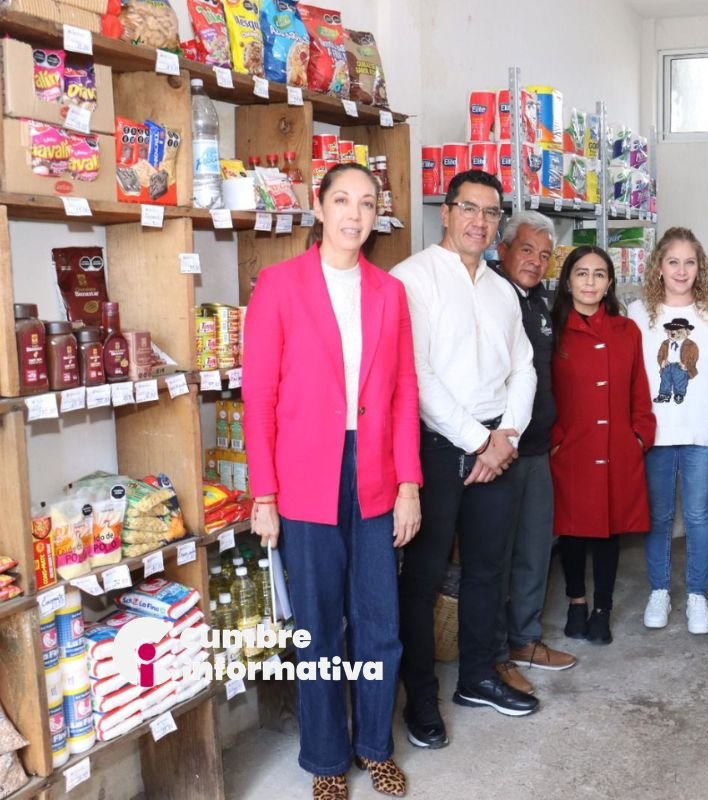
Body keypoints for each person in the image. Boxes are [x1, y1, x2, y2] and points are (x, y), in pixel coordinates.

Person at [244, 163, 420, 799]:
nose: (354, 213)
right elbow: (259, 395)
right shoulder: (280, 284)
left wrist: (408, 485)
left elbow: (403, 393)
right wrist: (263, 494)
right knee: (316, 625)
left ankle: (375, 745)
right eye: (341, 200)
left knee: (379, 622)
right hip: (304, 478)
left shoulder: (388, 292)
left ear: (378, 215)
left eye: (366, 203)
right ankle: (325, 758)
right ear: (318, 209)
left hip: (375, 473)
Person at [391, 169, 538, 746]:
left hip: (498, 449)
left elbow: (523, 367)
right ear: (446, 212)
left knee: (486, 570)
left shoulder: (504, 289)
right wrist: (479, 440)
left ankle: (477, 676)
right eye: (469, 209)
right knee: (423, 579)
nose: (480, 221)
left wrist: (508, 434)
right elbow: (418, 375)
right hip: (437, 448)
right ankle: (419, 700)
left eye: (491, 212)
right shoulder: (413, 279)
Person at [627, 227, 708, 635]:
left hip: (701, 436)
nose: (681, 270)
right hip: (654, 436)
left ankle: (697, 595)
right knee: (658, 519)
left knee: (696, 516)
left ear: (700, 268)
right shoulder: (640, 314)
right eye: (672, 261)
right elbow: (630, 376)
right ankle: (659, 590)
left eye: (689, 262)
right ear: (658, 267)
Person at [550, 246, 656, 645]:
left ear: (610, 282)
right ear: (568, 280)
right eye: (582, 273)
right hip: (571, 447)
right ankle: (576, 602)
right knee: (574, 532)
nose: (590, 282)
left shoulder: (626, 330)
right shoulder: (554, 326)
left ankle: (602, 609)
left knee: (608, 532)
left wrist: (639, 435)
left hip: (616, 446)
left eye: (598, 274)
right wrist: (555, 441)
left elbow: (638, 389)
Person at [490, 211, 577, 695]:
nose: (536, 261)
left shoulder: (540, 301)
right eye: (526, 250)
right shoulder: (490, 296)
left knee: (534, 551)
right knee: (497, 558)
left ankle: (524, 640)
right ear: (502, 250)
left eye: (545, 255)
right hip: (502, 450)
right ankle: (497, 654)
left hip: (538, 447)